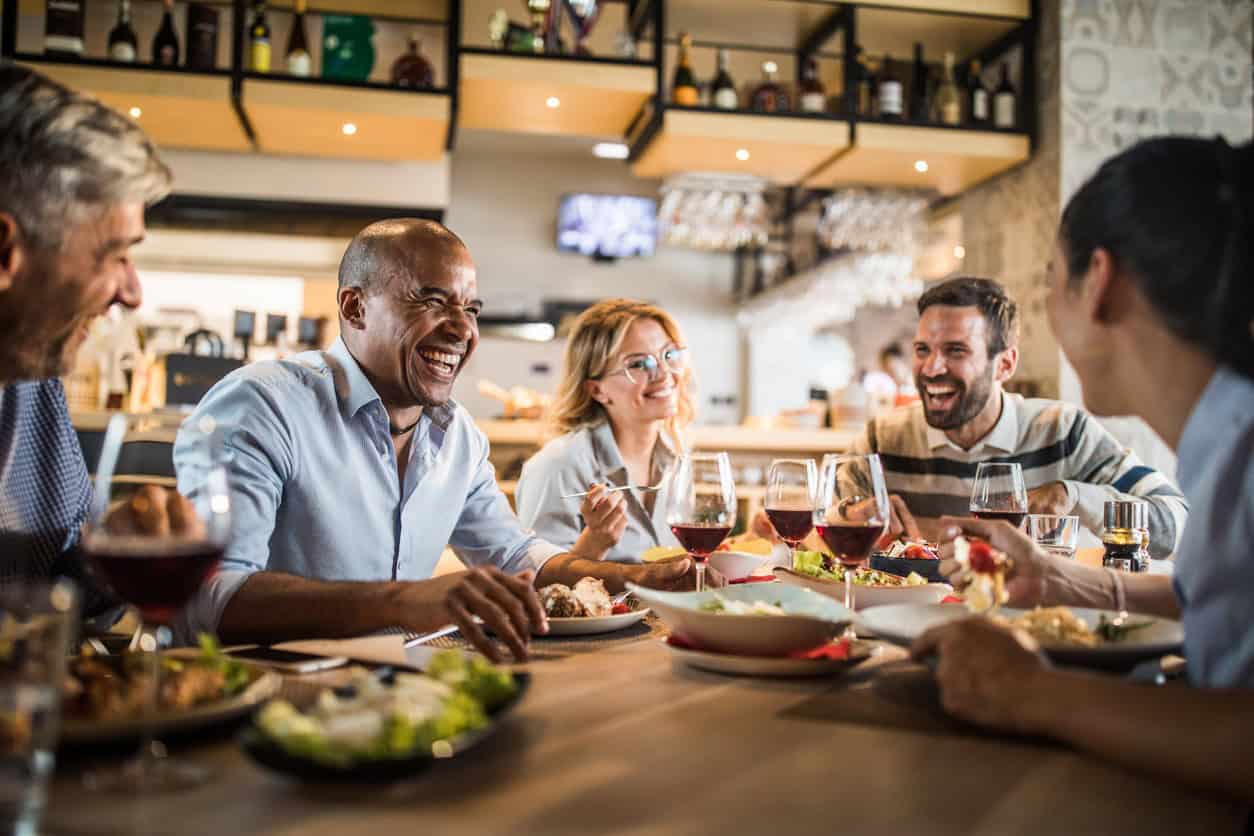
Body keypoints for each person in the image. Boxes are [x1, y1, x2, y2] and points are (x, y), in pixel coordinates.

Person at [173, 220, 698, 661]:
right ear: (354, 308)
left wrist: (642, 576)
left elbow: (518, 556)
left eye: (470, 309)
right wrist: (407, 602)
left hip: (392, 694)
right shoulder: (263, 404)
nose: (461, 329)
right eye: (431, 300)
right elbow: (211, 597)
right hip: (260, 699)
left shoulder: (457, 436)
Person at [914, 136, 1254, 803]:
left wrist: (1030, 691)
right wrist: (1061, 581)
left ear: (1099, 282)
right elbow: (1221, 607)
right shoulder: (1225, 438)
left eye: (1048, 281)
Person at [0, 64, 175, 617]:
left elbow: (47, 596)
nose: (131, 291)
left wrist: (105, 562)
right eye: (115, 254)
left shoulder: (32, 379)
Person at [848, 277, 1186, 556]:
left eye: (956, 350)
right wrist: (853, 515)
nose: (932, 368)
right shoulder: (883, 437)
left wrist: (1076, 496)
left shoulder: (1064, 433)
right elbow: (830, 513)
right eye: (923, 350)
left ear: (1006, 364)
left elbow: (1177, 523)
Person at [516, 299, 694, 563]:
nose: (664, 373)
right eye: (639, 364)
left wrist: (743, 545)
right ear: (596, 389)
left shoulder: (677, 459)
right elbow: (537, 588)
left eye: (669, 355)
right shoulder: (558, 467)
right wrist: (594, 546)